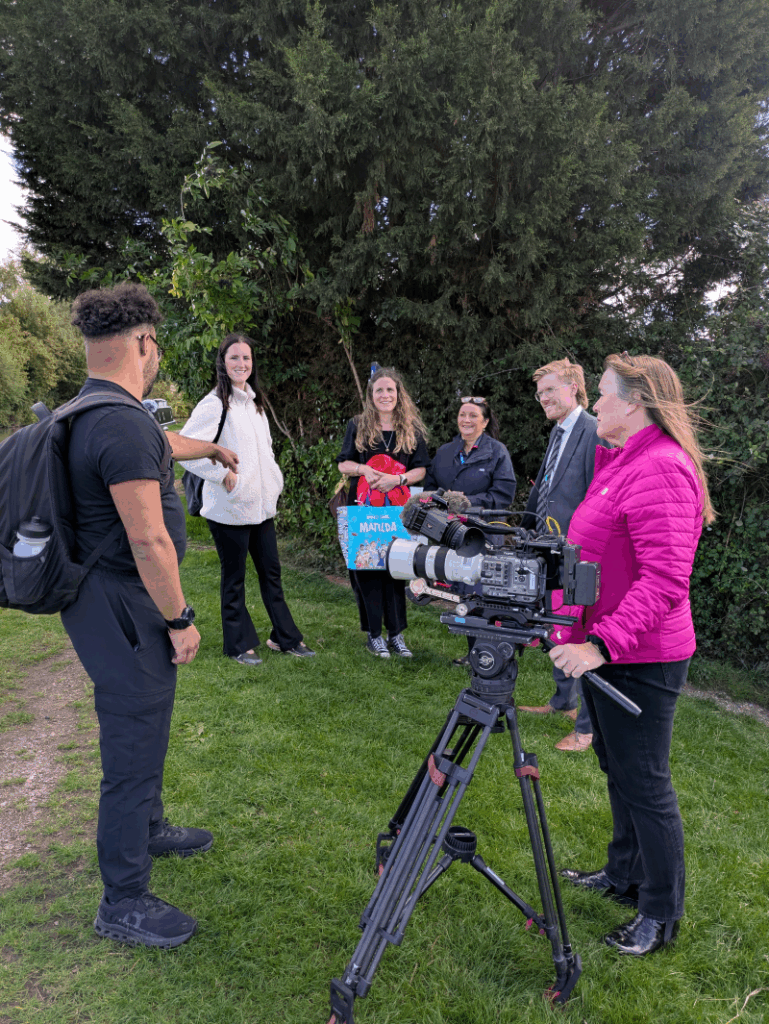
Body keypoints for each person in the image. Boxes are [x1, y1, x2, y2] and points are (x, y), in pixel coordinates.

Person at [65, 282, 240, 949]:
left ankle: (148, 828)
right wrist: (181, 617)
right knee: (132, 741)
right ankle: (123, 898)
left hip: (104, 599)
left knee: (146, 720)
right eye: (157, 343)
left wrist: (211, 450)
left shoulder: (99, 408)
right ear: (142, 343)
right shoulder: (119, 421)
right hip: (122, 604)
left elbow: (160, 441)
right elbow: (148, 540)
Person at [549, 352, 714, 956]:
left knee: (645, 781)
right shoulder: (623, 461)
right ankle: (623, 876)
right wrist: (574, 632)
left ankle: (661, 912)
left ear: (635, 403)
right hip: (608, 649)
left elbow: (666, 581)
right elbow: (591, 553)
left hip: (642, 654)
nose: (595, 404)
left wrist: (600, 644)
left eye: (602, 394)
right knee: (617, 771)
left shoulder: (664, 468)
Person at [179, 334, 314, 665]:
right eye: (234, 358)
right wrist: (220, 474)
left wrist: (273, 485)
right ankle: (238, 645)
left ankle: (285, 638)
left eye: (246, 358)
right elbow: (184, 448)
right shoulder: (213, 404)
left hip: (260, 507)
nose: (241, 364)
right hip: (229, 509)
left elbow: (264, 451)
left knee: (271, 574)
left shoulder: (255, 403)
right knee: (234, 578)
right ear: (223, 363)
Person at [518, 358, 607, 752]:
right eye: (540, 394)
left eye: (550, 390)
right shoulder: (559, 431)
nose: (544, 399)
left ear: (574, 388)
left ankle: (587, 730)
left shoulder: (593, 430)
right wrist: (524, 528)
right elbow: (546, 487)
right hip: (551, 547)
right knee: (555, 625)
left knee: (583, 636)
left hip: (583, 553)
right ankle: (562, 702)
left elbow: (599, 495)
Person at [337, 367, 430, 658]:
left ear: (398, 393)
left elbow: (422, 469)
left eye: (390, 390)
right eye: (379, 390)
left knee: (395, 569)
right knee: (366, 570)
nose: (385, 395)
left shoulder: (411, 428)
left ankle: (397, 635)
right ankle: (374, 635)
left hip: (397, 513)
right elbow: (343, 464)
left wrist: (398, 479)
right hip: (364, 512)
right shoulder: (358, 425)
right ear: (371, 394)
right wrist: (363, 468)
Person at [422, 395, 516, 666]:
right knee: (465, 594)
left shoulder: (497, 452)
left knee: (483, 594)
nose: (467, 420)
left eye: (474, 415)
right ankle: (476, 653)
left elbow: (503, 495)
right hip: (452, 534)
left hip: (483, 535)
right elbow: (430, 488)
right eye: (463, 414)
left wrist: (468, 501)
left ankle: (489, 653)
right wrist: (441, 499)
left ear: (485, 422)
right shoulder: (444, 453)